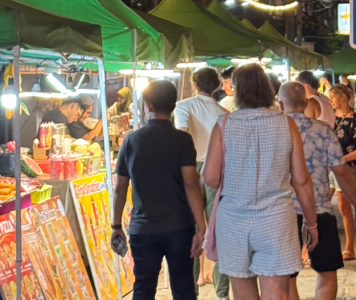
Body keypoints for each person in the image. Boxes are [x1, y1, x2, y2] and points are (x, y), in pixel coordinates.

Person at [203, 63, 318, 300]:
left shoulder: (224, 124)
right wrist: (312, 222)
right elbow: (302, 180)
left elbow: (210, 177)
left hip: (233, 220)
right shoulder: (286, 123)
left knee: (243, 294)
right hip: (276, 219)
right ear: (267, 89)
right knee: (277, 293)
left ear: (237, 90)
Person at [111, 81, 207, 300]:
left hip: (143, 229)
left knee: (143, 287)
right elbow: (191, 183)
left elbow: (120, 189)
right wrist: (201, 226)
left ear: (149, 105)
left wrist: (116, 225)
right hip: (180, 228)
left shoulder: (132, 141)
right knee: (184, 287)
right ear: (172, 106)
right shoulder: (182, 140)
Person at [277, 82, 356, 300]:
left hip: (282, 212)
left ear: (280, 104)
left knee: (287, 276)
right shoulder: (323, 131)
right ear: (306, 102)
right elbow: (341, 173)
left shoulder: (274, 130)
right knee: (327, 271)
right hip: (319, 210)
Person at [172, 67, 229, 294]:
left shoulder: (183, 106)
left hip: (190, 170)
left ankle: (191, 291)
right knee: (218, 231)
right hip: (218, 171)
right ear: (215, 87)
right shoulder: (224, 113)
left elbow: (181, 135)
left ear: (194, 85)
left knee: (192, 230)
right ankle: (222, 292)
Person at [327, 85, 356, 260]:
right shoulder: (329, 118)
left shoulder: (354, 120)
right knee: (320, 201)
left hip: (344, 167)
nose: (330, 101)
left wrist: (343, 159)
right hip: (328, 167)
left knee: (344, 207)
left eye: (332, 98)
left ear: (343, 98)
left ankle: (349, 246)